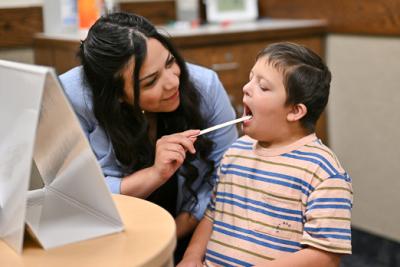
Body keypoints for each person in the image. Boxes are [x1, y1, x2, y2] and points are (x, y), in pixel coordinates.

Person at [59, 12, 238, 260]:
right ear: (117, 95)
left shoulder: (204, 85)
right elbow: (77, 193)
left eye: (170, 62)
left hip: (195, 232)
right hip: (109, 240)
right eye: (150, 81)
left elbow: (227, 175)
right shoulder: (72, 98)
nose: (173, 82)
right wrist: (155, 175)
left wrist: (175, 237)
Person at [178, 42, 353, 267]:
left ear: (295, 111)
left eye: (263, 86)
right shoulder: (236, 151)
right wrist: (191, 257)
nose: (246, 88)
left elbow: (325, 257)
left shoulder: (323, 173)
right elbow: (213, 215)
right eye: (251, 78)